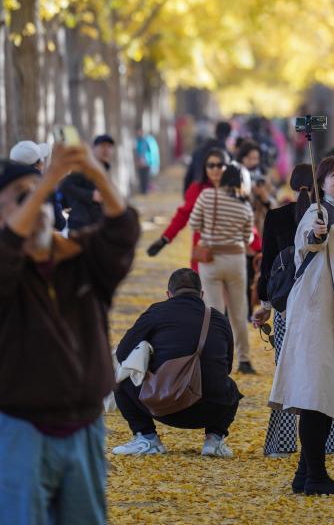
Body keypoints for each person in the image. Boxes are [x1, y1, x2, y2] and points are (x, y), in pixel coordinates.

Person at [0, 145, 138, 525]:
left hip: (85, 428)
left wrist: (95, 171)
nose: (40, 204)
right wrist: (46, 182)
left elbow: (122, 229)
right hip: (18, 429)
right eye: (24, 198)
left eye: (45, 196)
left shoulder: (79, 259)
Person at [269, 155, 334, 496]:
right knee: (315, 397)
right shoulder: (318, 214)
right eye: (333, 175)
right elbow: (312, 240)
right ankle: (316, 476)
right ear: (320, 184)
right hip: (315, 316)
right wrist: (316, 234)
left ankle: (304, 473)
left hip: (330, 316)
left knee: (320, 394)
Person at [253, 163, 334, 458]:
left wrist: (265, 305)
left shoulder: (278, 217)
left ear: (293, 185)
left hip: (287, 307)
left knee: (289, 372)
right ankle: (331, 443)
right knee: (326, 374)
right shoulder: (332, 217)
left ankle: (281, 443)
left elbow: (268, 266)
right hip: (325, 306)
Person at [112, 268, 241, 457]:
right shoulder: (219, 319)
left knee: (121, 378)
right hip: (212, 408)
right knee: (231, 387)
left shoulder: (156, 312)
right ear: (202, 294)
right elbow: (227, 367)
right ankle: (214, 440)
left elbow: (123, 353)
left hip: (162, 403)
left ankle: (147, 438)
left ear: (168, 294)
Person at [189, 164, 255, 374]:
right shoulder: (245, 206)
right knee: (239, 312)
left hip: (211, 261)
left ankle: (217, 359)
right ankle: (244, 359)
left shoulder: (207, 196)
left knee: (215, 313)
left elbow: (193, 224)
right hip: (236, 260)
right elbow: (248, 238)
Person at [147, 147, 226, 271]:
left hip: (229, 252)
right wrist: (165, 239)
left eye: (220, 165)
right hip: (203, 251)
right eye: (211, 165)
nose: (215, 169)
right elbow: (182, 216)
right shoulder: (197, 189)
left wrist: (258, 248)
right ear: (205, 168)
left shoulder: (234, 190)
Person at [60, 134, 116, 232]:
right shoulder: (84, 166)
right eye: (102, 146)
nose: (106, 150)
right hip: (81, 225)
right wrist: (90, 195)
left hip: (98, 224)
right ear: (93, 148)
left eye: (109, 147)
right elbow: (66, 185)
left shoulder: (104, 168)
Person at [10, 139, 66, 230]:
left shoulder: (6, 184)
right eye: (42, 159)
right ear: (38, 164)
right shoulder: (43, 185)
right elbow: (59, 223)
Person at [182, 121, 231, 194]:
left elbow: (189, 176)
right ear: (229, 134)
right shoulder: (227, 154)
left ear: (215, 131)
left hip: (197, 191)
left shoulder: (198, 150)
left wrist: (186, 194)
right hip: (219, 194)